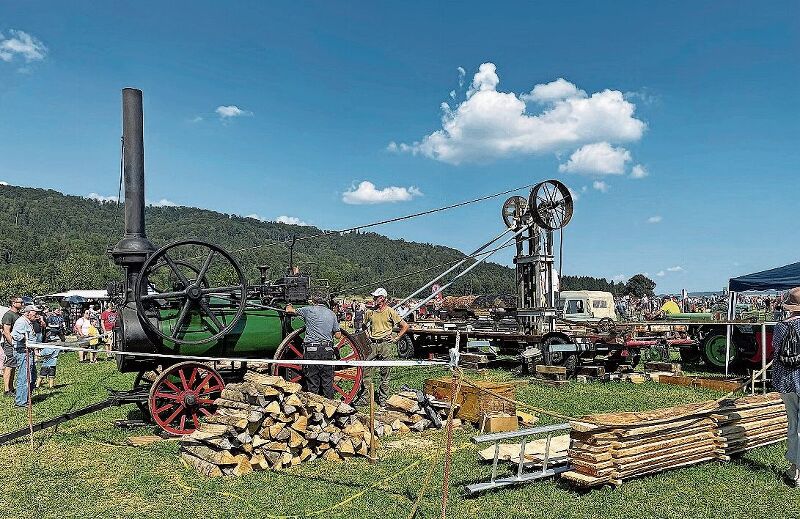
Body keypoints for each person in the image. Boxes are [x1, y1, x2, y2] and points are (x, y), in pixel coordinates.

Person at [285, 296, 341, 399]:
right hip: (327, 351)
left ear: (314, 302)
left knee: (313, 382)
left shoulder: (308, 309)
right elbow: (338, 335)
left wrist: (288, 304)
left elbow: (289, 310)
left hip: (312, 350)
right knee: (328, 382)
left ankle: (314, 409)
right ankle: (330, 410)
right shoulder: (331, 313)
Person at [772, 287, 800, 487]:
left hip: (786, 380)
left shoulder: (780, 326)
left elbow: (775, 347)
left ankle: (795, 470)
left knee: (793, 425)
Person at [364, 287, 409, 407]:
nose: (373, 299)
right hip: (372, 344)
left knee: (385, 373)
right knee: (366, 371)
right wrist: (368, 334)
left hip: (385, 345)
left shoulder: (390, 311)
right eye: (374, 297)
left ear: (382, 298)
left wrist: (396, 338)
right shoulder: (370, 312)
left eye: (376, 297)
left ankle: (383, 399)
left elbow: (405, 326)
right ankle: (366, 398)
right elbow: (363, 326)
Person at [11, 305, 40, 407]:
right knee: (24, 376)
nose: (36, 315)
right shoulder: (21, 322)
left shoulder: (29, 322)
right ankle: (21, 401)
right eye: (34, 313)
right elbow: (14, 335)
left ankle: (27, 398)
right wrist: (25, 339)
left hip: (29, 351)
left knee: (32, 375)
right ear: (28, 313)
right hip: (23, 352)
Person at [2, 297, 23, 397]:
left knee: (13, 366)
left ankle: (11, 387)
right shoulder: (8, 315)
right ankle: (6, 390)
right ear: (14, 303)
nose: (22, 304)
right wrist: (13, 343)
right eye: (20, 302)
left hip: (17, 344)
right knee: (9, 366)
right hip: (10, 345)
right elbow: (6, 331)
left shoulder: (18, 315)